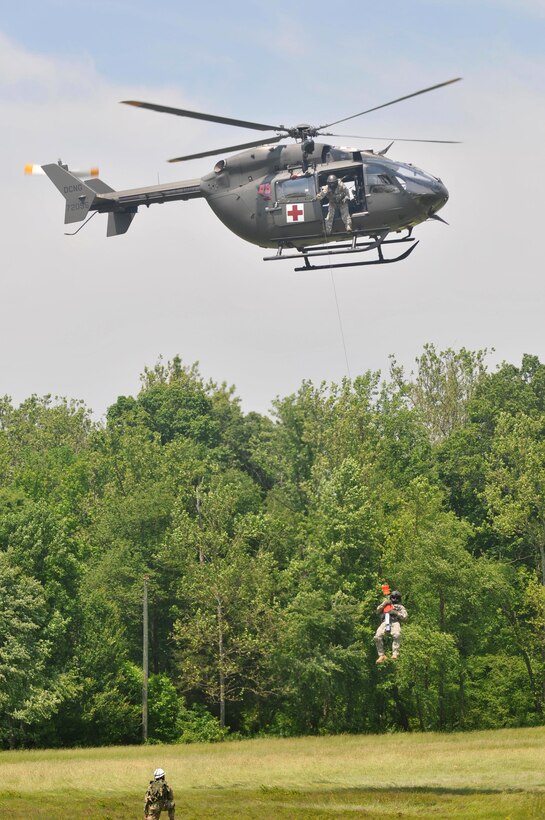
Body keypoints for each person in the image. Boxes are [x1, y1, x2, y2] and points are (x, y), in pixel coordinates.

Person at [374, 590, 408, 663]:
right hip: (385, 621)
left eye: (396, 598)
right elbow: (377, 610)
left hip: (395, 622)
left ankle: (395, 653)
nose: (395, 599)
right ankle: (381, 655)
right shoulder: (386, 604)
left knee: (397, 635)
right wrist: (384, 604)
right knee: (377, 636)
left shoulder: (400, 607)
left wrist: (396, 613)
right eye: (393, 597)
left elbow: (405, 617)